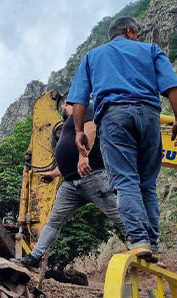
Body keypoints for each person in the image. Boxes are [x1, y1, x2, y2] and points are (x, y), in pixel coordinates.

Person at [67, 16, 177, 259]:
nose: (138, 39)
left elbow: (79, 99)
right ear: (130, 31)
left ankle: (139, 240)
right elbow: (174, 87)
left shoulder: (93, 56)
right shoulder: (151, 50)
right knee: (147, 182)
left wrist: (79, 131)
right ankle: (152, 242)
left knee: (125, 180)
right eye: (137, 35)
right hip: (149, 116)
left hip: (114, 117)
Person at [15, 98, 126, 270]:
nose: (64, 106)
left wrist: (84, 157)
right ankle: (35, 256)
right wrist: (54, 174)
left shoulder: (85, 108)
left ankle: (142, 245)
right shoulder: (70, 122)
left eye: (66, 104)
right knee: (54, 221)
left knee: (118, 215)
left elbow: (91, 129)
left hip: (92, 176)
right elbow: (68, 155)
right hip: (70, 183)